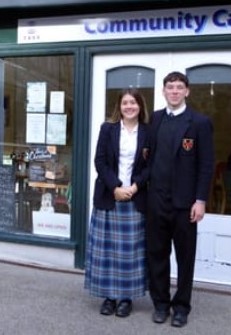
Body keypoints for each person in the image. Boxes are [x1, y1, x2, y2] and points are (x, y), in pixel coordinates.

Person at [146, 71, 214, 328]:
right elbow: (149, 157)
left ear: (187, 91)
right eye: (170, 87)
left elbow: (206, 165)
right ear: (163, 91)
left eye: (179, 87)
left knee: (185, 258)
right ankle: (161, 304)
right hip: (157, 200)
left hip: (185, 205)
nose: (174, 91)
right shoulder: (155, 119)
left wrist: (200, 200)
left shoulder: (199, 122)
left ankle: (181, 307)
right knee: (157, 255)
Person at [84, 89, 150, 318]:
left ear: (140, 106)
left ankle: (126, 298)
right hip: (109, 196)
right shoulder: (108, 129)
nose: (129, 106)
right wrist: (115, 187)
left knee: (130, 252)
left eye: (133, 102)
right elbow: (99, 161)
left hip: (135, 197)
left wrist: (134, 187)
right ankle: (109, 297)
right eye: (125, 103)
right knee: (108, 250)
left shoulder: (148, 132)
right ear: (119, 107)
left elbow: (151, 166)